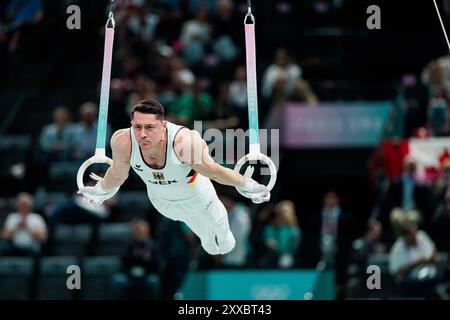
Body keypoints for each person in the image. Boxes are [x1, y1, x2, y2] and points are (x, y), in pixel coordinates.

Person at [78, 98, 270, 255]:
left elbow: (214, 171)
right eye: (137, 127)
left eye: (149, 127)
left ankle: (224, 236)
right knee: (197, 228)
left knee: (221, 236)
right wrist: (101, 190)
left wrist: (247, 184)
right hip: (163, 204)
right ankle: (206, 237)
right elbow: (118, 175)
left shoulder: (183, 142)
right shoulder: (123, 141)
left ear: (163, 125)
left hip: (198, 197)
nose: (142, 134)